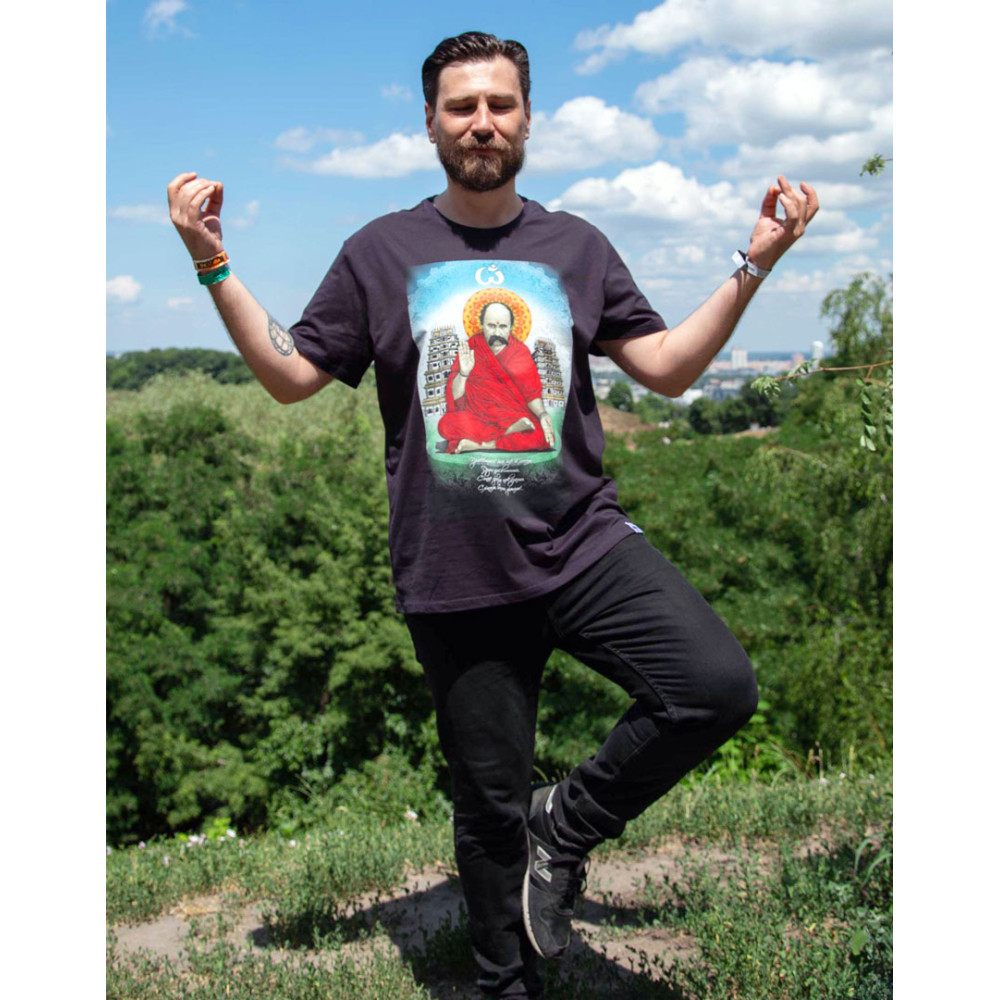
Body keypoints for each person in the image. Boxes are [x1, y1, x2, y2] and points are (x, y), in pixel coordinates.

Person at [167, 30, 819, 1000]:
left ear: (527, 118)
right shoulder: (380, 251)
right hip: (455, 566)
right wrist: (213, 262)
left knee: (714, 686)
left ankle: (566, 824)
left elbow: (669, 370)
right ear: (431, 123)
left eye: (499, 105)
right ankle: (502, 983)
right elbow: (293, 376)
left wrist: (755, 263)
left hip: (583, 544)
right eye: (462, 106)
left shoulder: (577, 247)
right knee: (485, 805)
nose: (482, 122)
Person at [439, 300, 554, 453]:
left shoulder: (520, 352)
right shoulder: (471, 347)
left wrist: (542, 414)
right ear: (482, 325)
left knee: (542, 436)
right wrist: (464, 373)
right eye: (491, 326)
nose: (497, 333)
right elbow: (456, 396)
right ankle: (509, 431)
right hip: (478, 417)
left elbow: (531, 394)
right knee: (445, 425)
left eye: (503, 326)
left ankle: (481, 444)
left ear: (511, 327)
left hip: (511, 416)